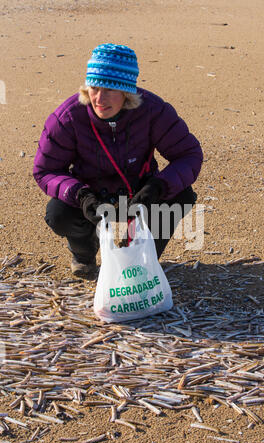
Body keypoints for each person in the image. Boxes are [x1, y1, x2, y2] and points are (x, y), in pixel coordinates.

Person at [33, 43, 203, 279]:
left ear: (127, 92)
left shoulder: (153, 111)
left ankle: (142, 257)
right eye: (94, 87)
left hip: (138, 193)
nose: (99, 99)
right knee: (58, 213)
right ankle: (84, 252)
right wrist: (80, 195)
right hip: (92, 197)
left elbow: (189, 154)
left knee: (181, 196)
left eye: (110, 90)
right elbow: (45, 170)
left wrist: (157, 187)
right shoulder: (68, 117)